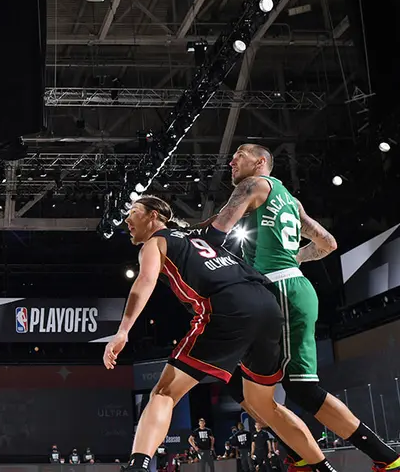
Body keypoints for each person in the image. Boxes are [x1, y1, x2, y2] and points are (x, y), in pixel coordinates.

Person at [102, 196, 337, 472]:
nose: (127, 220)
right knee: (264, 406)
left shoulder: (156, 243)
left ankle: (138, 467)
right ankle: (323, 468)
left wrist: (122, 332)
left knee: (164, 393)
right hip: (266, 306)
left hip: (227, 308)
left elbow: (145, 282)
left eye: (133, 212)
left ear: (154, 216)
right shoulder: (195, 238)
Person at [207, 143, 400, 472]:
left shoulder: (252, 186)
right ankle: (304, 459)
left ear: (261, 161)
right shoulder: (290, 201)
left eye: (239, 154)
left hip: (279, 290)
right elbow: (328, 243)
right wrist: (296, 257)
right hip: (291, 286)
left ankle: (386, 458)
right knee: (248, 390)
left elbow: (217, 231)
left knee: (299, 389)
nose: (232, 161)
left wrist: (184, 247)